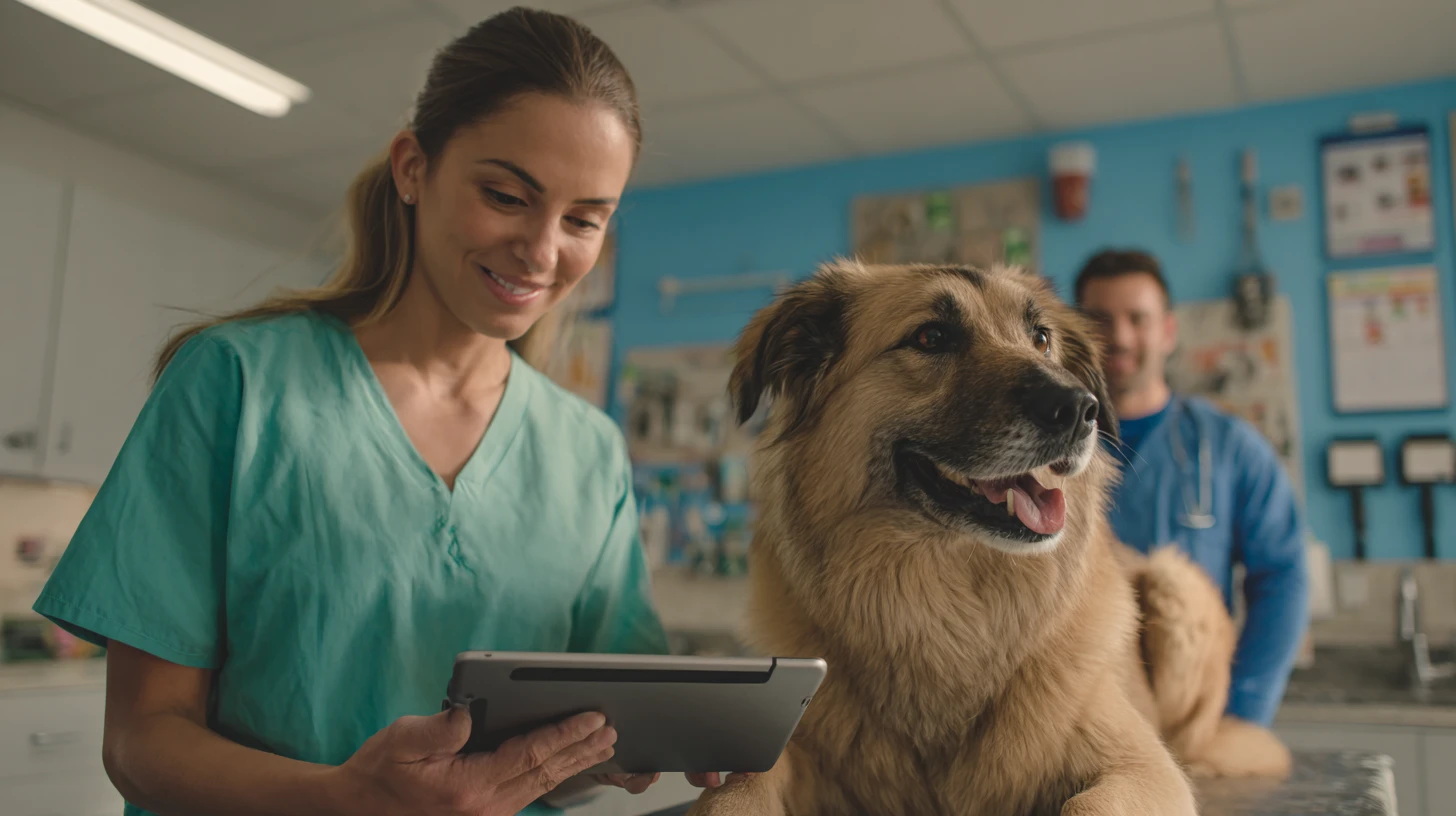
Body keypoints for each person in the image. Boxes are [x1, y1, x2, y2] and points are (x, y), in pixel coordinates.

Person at [33, 8, 724, 816]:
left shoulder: (588, 452)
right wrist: (344, 797)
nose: (542, 251)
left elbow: (567, 749)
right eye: (507, 195)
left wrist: (617, 755)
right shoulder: (237, 384)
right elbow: (142, 739)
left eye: (583, 220)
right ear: (411, 168)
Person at [1073, 248, 1309, 729]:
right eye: (1100, 320)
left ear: (1168, 331)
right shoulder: (1040, 449)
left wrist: (1240, 711)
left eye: (1138, 319)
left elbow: (1282, 576)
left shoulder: (1229, 448)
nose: (1119, 336)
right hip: (1074, 713)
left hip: (1188, 715)